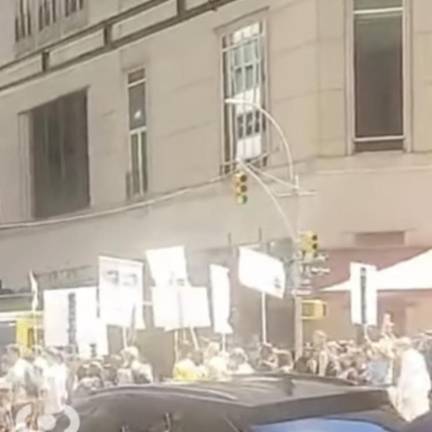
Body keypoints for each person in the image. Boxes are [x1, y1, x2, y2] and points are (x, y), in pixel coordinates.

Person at [391, 338, 431, 422]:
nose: (395, 353)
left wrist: (399, 393)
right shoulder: (417, 355)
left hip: (412, 390)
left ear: (401, 347)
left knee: (411, 415)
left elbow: (405, 376)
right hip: (421, 388)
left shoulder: (407, 357)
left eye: (395, 350)